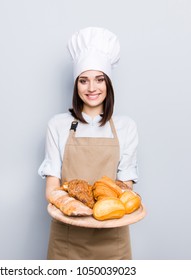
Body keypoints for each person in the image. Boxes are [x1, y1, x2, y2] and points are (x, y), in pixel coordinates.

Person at [38, 27, 139, 260]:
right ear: (76, 85)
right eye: (84, 80)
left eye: (99, 80)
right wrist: (80, 207)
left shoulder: (126, 127)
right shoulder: (57, 125)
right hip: (67, 238)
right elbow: (52, 190)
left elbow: (125, 190)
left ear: (109, 84)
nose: (92, 88)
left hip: (113, 238)